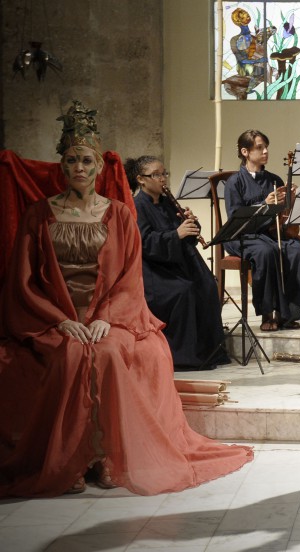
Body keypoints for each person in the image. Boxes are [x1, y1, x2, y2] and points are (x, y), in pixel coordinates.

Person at [0, 101, 252, 498]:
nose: (78, 168)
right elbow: (24, 281)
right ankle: (71, 460)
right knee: (69, 355)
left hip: (109, 315)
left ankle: (105, 457)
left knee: (109, 353)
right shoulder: (39, 214)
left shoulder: (117, 214)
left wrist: (107, 317)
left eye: (86, 160)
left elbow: (128, 277)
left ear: (99, 166)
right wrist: (59, 319)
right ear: (61, 166)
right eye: (70, 161)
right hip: (56, 316)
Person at [126, 155, 227, 369]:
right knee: (184, 291)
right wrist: (176, 235)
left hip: (175, 262)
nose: (163, 179)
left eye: (164, 173)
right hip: (154, 269)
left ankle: (211, 351)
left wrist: (191, 225)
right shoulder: (137, 207)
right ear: (141, 179)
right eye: (156, 174)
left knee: (207, 284)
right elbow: (144, 242)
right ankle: (184, 357)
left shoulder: (167, 202)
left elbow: (187, 237)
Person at [223, 129, 300, 331]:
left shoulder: (275, 180)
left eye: (266, 147)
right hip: (242, 236)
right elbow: (236, 218)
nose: (265, 151)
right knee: (266, 253)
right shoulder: (234, 183)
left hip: (270, 233)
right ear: (245, 152)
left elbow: (283, 215)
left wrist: (290, 203)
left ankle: (288, 313)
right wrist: (264, 204)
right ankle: (266, 314)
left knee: (297, 251)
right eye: (259, 147)